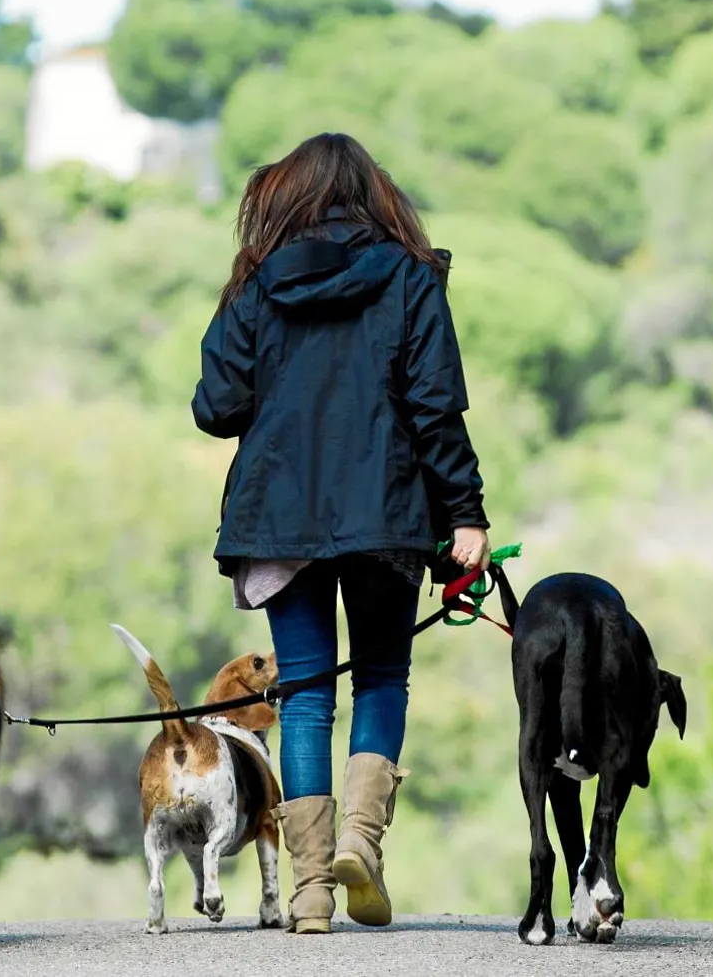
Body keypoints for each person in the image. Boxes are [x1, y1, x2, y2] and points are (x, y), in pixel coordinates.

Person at [192, 132, 490, 934]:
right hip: (387, 513)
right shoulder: (411, 276)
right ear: (373, 194)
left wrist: (243, 310)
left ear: (287, 195)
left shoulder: (256, 284)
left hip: (279, 517)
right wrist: (465, 512)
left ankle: (311, 892)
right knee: (383, 678)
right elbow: (435, 408)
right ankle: (360, 840)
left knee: (307, 695)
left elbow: (214, 407)